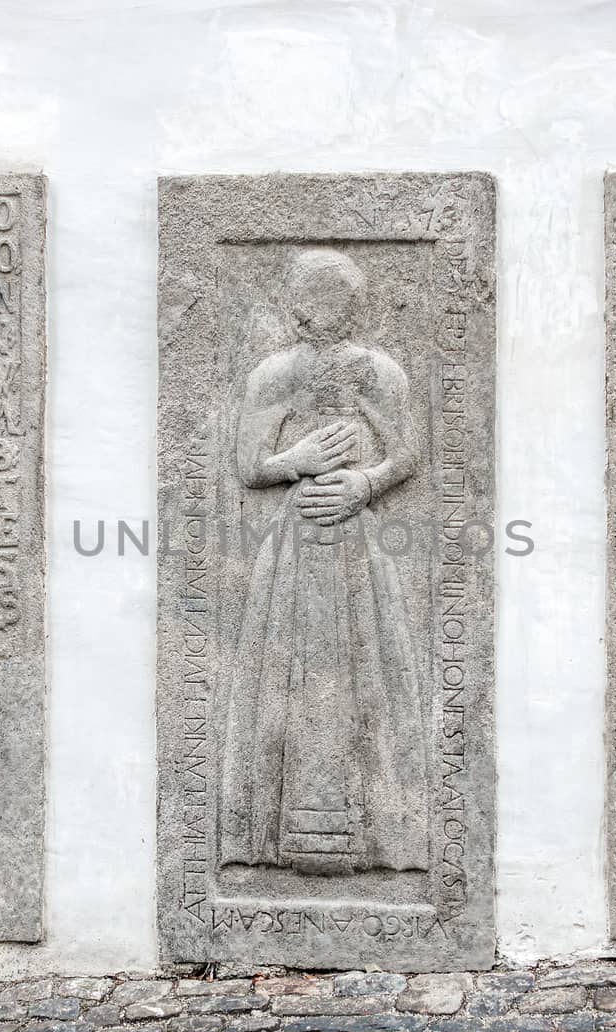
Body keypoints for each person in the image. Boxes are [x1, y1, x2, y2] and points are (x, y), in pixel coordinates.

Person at [218, 248, 428, 875]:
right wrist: (299, 459)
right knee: (283, 668)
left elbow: (407, 454)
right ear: (295, 307)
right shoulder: (274, 375)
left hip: (358, 540)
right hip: (293, 541)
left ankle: (383, 835)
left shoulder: (381, 372)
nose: (327, 312)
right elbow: (251, 467)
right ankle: (266, 838)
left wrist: (365, 484)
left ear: (356, 307)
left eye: (341, 298)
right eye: (316, 298)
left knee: (369, 666)